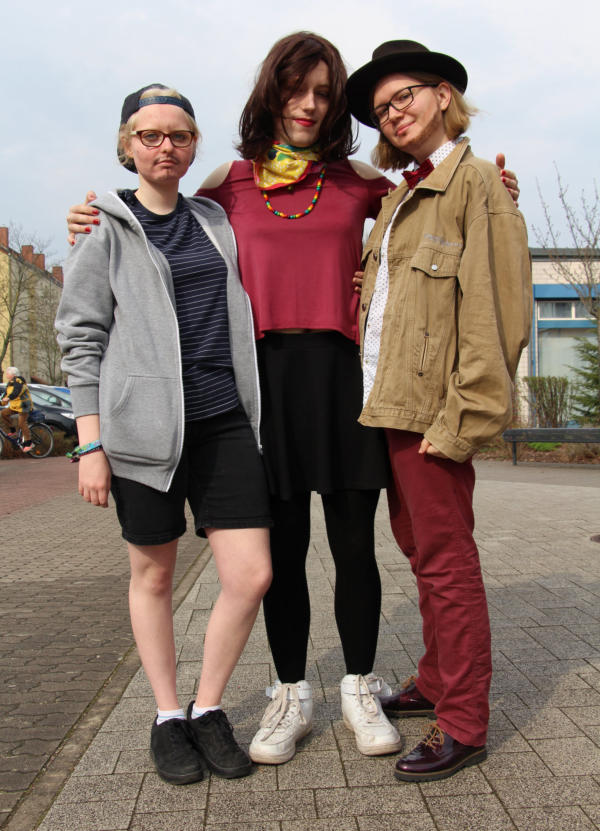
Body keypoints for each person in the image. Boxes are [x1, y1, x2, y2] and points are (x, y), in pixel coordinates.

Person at [66, 32, 519, 766]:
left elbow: (432, 206)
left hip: (345, 381)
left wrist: (499, 192)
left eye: (322, 93)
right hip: (260, 383)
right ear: (270, 95)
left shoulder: (359, 180)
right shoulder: (229, 182)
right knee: (282, 548)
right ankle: (289, 691)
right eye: (294, 89)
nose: (307, 104)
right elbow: (159, 219)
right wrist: (89, 220)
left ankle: (359, 684)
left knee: (354, 544)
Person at [56, 85, 272, 785]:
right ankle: (167, 715)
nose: (164, 146)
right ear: (127, 146)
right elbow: (81, 339)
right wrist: (90, 444)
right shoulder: (103, 228)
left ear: (193, 144)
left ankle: (209, 708)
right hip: (141, 434)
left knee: (252, 574)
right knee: (152, 574)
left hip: (224, 421)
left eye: (178, 135)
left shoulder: (215, 220)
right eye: (149, 135)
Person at [346, 40, 532, 782]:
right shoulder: (399, 199)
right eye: (382, 110)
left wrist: (463, 422)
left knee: (449, 564)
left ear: (444, 95)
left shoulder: (477, 184)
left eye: (405, 96)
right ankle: (433, 679)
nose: (394, 113)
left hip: (434, 416)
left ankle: (463, 720)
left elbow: (498, 312)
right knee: (420, 553)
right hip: (388, 405)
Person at [1, 367, 34, 452]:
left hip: (24, 406)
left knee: (21, 423)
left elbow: (16, 392)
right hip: (15, 406)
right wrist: (2, 402)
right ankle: (13, 431)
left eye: (8, 373)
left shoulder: (19, 382)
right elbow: (5, 395)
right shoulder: (10, 383)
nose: (6, 375)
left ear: (13, 374)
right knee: (4, 413)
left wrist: (9, 398)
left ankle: (29, 443)